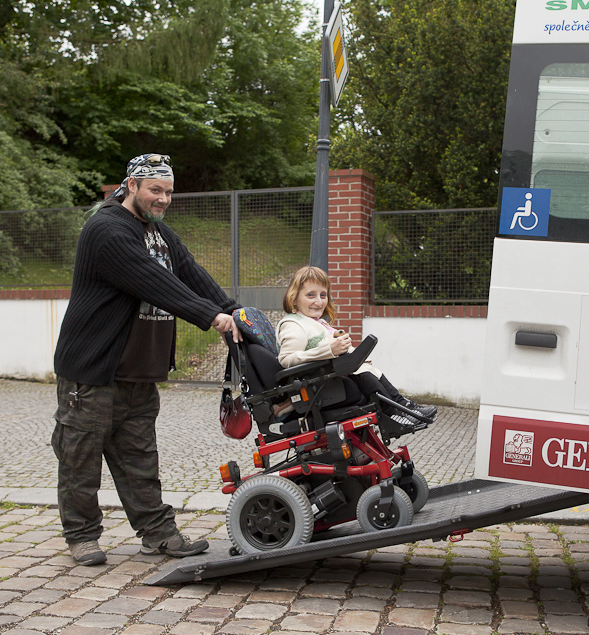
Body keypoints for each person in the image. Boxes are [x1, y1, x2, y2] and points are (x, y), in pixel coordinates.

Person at [52, 153, 242, 566]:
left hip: (138, 370)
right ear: (132, 185)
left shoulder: (159, 232)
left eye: (169, 192)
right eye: (156, 190)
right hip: (93, 370)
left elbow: (189, 271)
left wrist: (233, 308)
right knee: (79, 458)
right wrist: (212, 317)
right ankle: (82, 536)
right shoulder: (106, 229)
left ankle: (158, 533)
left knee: (140, 457)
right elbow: (153, 280)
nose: (163, 199)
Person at [275, 265, 436, 428]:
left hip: (330, 378)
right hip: (317, 387)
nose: (319, 301)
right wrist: (330, 349)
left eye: (323, 295)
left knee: (368, 371)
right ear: (294, 298)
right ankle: (394, 415)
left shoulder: (317, 322)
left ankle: (404, 407)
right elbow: (286, 359)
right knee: (364, 375)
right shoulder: (293, 324)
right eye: (311, 295)